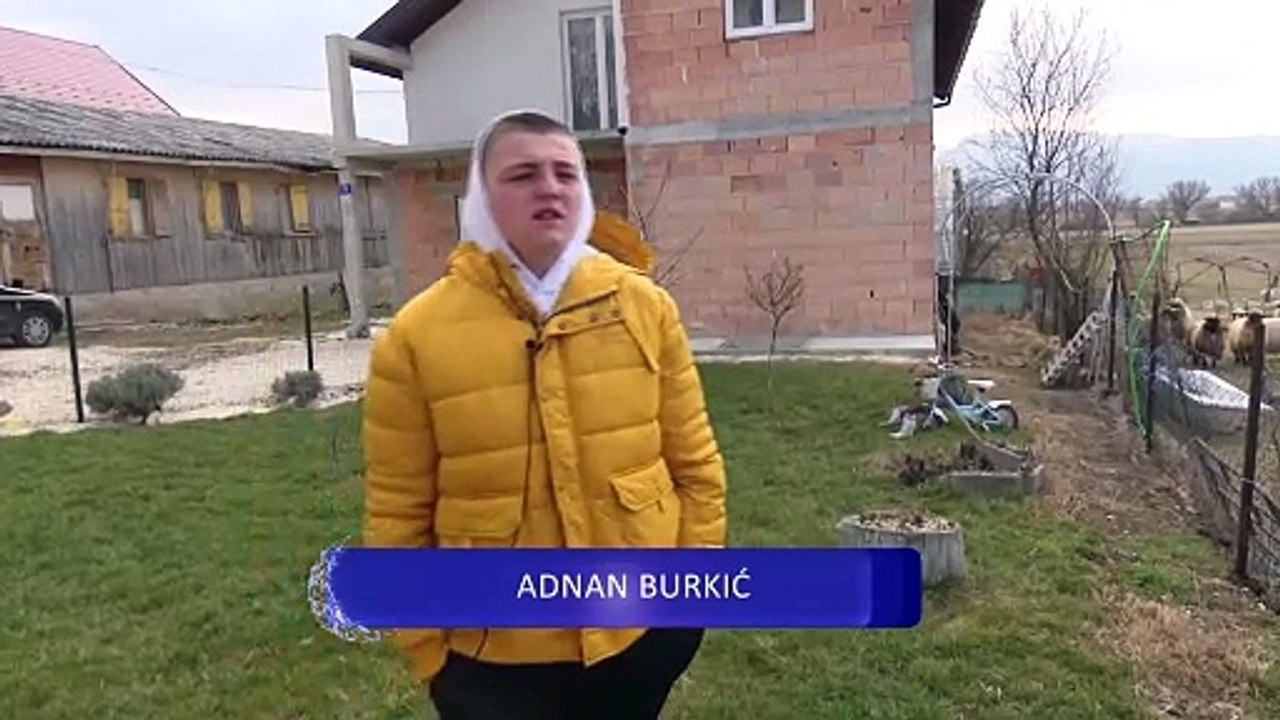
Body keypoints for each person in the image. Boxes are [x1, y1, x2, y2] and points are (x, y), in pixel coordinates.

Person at [360, 108, 728, 720]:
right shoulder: (415, 336)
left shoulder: (645, 307)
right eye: (523, 174)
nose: (549, 188)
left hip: (640, 634)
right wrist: (428, 651)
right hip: (490, 658)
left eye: (565, 173)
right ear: (482, 196)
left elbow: (696, 467)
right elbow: (398, 511)